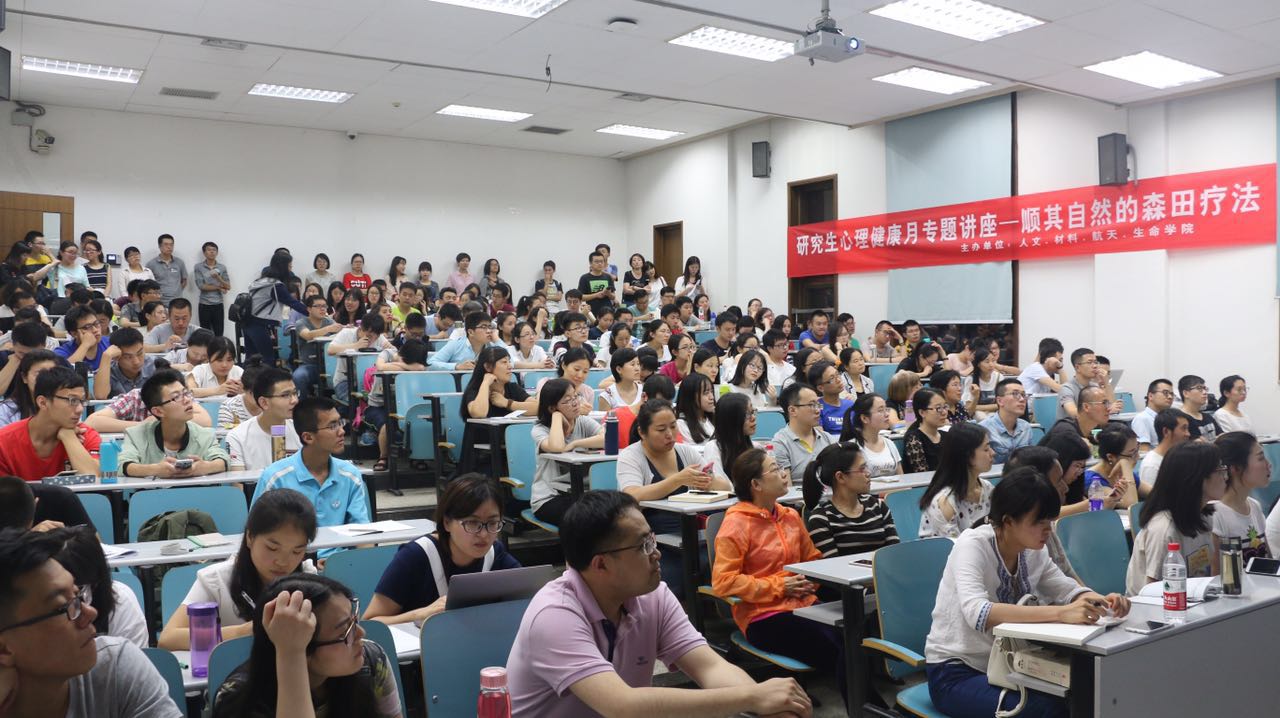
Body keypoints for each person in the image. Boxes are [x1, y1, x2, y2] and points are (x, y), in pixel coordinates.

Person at [508, 491, 810, 717]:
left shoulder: (653, 595)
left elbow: (710, 667)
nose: (657, 553)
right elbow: (622, 706)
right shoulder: (555, 615)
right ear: (601, 564)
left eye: (652, 539)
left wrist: (769, 706)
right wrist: (752, 697)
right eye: (644, 545)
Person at [924, 469, 1130, 718]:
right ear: (1008, 521)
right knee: (1049, 709)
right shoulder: (973, 545)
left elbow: (1067, 590)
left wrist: (1103, 602)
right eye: (1038, 522)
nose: (1047, 530)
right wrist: (1061, 613)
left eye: (1049, 521)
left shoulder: (1033, 550)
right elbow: (978, 613)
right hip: (956, 672)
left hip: (1010, 665)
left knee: (1089, 689)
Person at [0, 528, 185, 717]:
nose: (90, 613)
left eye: (77, 595)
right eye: (63, 607)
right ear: (4, 649)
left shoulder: (115, 668)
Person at [713, 448, 846, 704]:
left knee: (853, 637)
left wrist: (808, 582)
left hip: (804, 604)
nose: (784, 474)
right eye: (774, 469)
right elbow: (723, 582)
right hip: (763, 616)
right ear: (756, 484)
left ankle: (866, 705)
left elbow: (813, 560)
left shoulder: (790, 516)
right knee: (840, 649)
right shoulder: (736, 524)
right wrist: (780, 586)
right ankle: (869, 708)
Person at [211, 573, 401, 718]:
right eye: (345, 632)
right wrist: (291, 653)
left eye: (354, 620)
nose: (361, 634)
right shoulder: (237, 699)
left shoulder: (372, 660)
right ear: (304, 647)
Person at [158, 487, 317, 649]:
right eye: (272, 548)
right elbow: (168, 639)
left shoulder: (307, 578)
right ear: (250, 537)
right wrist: (241, 632)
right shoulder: (216, 580)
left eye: (297, 551)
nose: (283, 562)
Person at [366, 474, 520, 625]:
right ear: (447, 522)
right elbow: (370, 623)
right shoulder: (415, 556)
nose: (484, 534)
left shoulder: (495, 554)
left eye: (492, 523)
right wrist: (419, 615)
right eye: (472, 523)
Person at [618, 399, 728, 593]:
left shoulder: (685, 452)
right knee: (676, 577)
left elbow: (725, 487)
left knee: (719, 564)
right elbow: (631, 496)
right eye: (661, 429)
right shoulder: (631, 456)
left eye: (673, 426)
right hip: (655, 542)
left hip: (695, 534)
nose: (669, 434)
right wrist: (678, 480)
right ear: (642, 432)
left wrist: (708, 481)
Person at [252, 398, 371, 556]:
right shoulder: (275, 477)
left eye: (340, 423)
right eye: (332, 426)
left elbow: (362, 533)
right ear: (308, 437)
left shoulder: (350, 475)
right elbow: (256, 534)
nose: (342, 431)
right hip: (290, 563)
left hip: (339, 562)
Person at [1126, 442, 1225, 595]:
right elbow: (1153, 592)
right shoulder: (1163, 529)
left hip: (1193, 600)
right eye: (1219, 470)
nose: (1225, 477)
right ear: (1197, 478)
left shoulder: (1204, 516)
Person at [50, 525, 148, 648]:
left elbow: (132, 657)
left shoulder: (120, 601)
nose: (90, 612)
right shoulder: (36, 612)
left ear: (97, 581)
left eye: (78, 592)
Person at [119, 370, 229, 479]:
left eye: (186, 393)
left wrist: (203, 467)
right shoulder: (136, 435)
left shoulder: (205, 435)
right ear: (158, 411)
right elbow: (122, 466)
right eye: (176, 397)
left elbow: (224, 460)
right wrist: (155, 470)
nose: (187, 400)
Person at [0, 366, 100, 481]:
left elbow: (94, 478)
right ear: (43, 403)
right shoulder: (4, 442)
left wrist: (68, 437)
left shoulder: (86, 434)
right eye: (72, 400)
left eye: (82, 401)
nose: (80, 409)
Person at [529, 379, 605, 526]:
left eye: (575, 396)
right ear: (552, 408)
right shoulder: (540, 430)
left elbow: (608, 439)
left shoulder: (582, 421)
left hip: (581, 493)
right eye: (567, 400)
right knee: (586, 517)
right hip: (549, 498)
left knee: (613, 510)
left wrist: (575, 443)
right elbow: (557, 446)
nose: (575, 403)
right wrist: (557, 417)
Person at [803, 442, 899, 556]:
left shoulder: (878, 506)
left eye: (866, 467)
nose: (868, 473)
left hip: (883, 567)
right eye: (862, 469)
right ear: (840, 477)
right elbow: (831, 564)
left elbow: (895, 553)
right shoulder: (821, 519)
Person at [456, 346, 537, 475]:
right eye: (504, 362)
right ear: (488, 367)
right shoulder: (475, 391)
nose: (510, 366)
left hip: (511, 450)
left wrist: (508, 403)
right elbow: (478, 413)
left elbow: (538, 407)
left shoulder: (512, 388)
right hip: (483, 457)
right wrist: (485, 383)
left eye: (509, 361)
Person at [918, 422, 996, 539]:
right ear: (967, 456)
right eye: (986, 449)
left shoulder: (988, 488)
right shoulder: (945, 502)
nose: (993, 453)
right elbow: (955, 548)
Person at [1211, 432, 1270, 562]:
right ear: (1235, 468)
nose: (1268, 464)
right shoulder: (1215, 515)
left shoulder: (1254, 506)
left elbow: (1269, 563)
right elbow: (1216, 573)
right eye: (1261, 458)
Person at [226, 368, 301, 472]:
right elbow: (238, 480)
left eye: (295, 393)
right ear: (264, 403)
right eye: (285, 395)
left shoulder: (302, 431)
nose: (294, 400)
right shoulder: (238, 437)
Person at [241, 253, 309, 363]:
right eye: (289, 266)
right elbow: (292, 302)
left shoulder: (261, 281)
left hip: (248, 322)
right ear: (283, 267)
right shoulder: (275, 286)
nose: (290, 270)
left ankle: (247, 374)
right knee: (268, 359)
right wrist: (312, 313)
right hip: (258, 324)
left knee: (251, 359)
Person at [772, 382, 834, 484]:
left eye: (818, 405)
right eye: (812, 405)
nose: (818, 410)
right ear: (792, 410)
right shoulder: (780, 443)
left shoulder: (827, 438)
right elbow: (787, 489)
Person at [839, 392, 903, 478]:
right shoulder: (853, 448)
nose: (887, 414)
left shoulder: (889, 443)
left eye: (886, 409)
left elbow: (901, 477)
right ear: (864, 418)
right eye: (880, 410)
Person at [291, 294, 342, 398]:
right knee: (298, 376)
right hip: (311, 366)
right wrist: (328, 329)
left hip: (331, 365)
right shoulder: (301, 323)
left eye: (324, 306)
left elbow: (341, 335)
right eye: (318, 306)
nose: (322, 309)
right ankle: (302, 405)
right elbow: (308, 335)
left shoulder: (329, 321)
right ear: (309, 309)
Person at [978, 378, 1034, 464]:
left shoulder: (1026, 427)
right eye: (1015, 394)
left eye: (1023, 395)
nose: (1022, 399)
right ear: (1000, 401)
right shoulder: (984, 429)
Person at [0, 350, 60, 427]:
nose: (46, 379)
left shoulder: (66, 405)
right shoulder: (6, 410)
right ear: (24, 377)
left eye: (52, 373)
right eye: (39, 374)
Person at [1139, 409, 1192, 489]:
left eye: (1187, 429)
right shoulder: (1152, 465)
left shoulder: (1183, 456)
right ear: (1166, 431)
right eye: (1183, 428)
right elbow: (1152, 496)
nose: (1188, 434)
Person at [1044, 385, 1110, 448]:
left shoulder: (1097, 432)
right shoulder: (1065, 432)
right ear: (1086, 407)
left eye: (1108, 403)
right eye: (1104, 403)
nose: (1108, 408)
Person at [427, 312, 495, 371]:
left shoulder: (493, 346)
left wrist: (497, 340)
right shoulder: (455, 345)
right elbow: (430, 363)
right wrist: (457, 366)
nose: (489, 331)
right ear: (470, 332)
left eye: (490, 327)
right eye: (484, 327)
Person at [902, 387, 947, 473]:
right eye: (938, 408)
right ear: (922, 412)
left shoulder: (947, 436)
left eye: (945, 407)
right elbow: (922, 474)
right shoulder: (913, 439)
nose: (944, 412)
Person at [53, 306, 110, 372]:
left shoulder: (110, 343)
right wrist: (85, 345)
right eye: (87, 327)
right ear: (74, 333)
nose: (95, 330)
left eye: (96, 323)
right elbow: (65, 373)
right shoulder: (62, 352)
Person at [194, 241, 230, 336]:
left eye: (214, 250)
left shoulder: (222, 267)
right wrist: (219, 287)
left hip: (218, 304)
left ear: (217, 252)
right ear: (204, 253)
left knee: (219, 333)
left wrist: (218, 278)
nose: (212, 252)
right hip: (204, 304)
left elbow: (228, 286)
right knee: (205, 334)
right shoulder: (198, 267)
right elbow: (201, 286)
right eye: (209, 250)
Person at [808, 360, 852, 436]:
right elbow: (820, 436)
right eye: (832, 379)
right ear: (821, 388)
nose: (838, 380)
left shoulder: (849, 404)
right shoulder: (817, 406)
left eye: (837, 374)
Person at [1132, 378, 1175, 451]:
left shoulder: (1170, 418)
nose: (1170, 397)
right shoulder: (1142, 419)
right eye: (1165, 392)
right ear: (1150, 396)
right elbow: (1143, 451)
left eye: (1172, 394)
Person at [674, 373, 716, 448]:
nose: (711, 397)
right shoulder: (682, 425)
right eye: (706, 393)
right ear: (691, 396)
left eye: (712, 392)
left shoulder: (713, 418)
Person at [145, 234, 188, 304]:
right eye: (166, 244)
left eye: (171, 245)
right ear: (159, 246)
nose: (169, 247)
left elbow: (184, 281)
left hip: (177, 301)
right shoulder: (151, 264)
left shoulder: (179, 262)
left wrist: (177, 292)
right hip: (159, 302)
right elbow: (148, 285)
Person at [969, 346, 1001, 414]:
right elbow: (968, 409)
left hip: (995, 414)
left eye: (993, 361)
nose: (991, 365)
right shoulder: (970, 379)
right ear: (978, 364)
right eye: (987, 361)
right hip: (977, 415)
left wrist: (977, 407)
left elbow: (1003, 404)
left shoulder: (999, 377)